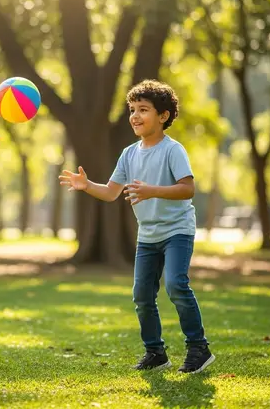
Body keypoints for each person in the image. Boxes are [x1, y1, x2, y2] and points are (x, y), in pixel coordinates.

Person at [59, 80, 215, 374]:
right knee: (142, 295)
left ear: (163, 116)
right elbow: (110, 192)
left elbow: (187, 189)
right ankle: (155, 352)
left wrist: (152, 190)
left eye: (143, 110)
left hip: (177, 231)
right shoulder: (129, 153)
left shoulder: (173, 150)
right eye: (132, 109)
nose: (135, 116)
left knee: (177, 285)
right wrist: (86, 185)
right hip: (148, 235)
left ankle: (199, 348)